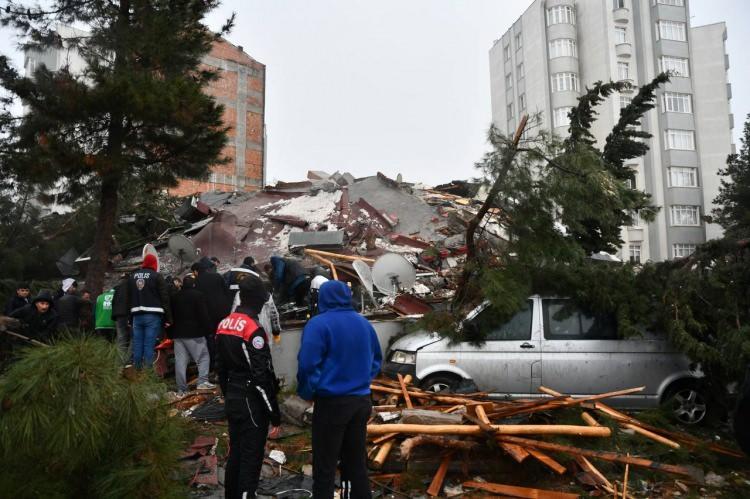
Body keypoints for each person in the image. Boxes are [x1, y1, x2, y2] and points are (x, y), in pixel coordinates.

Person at [297, 280, 382, 499]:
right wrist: (360, 380)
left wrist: (308, 391)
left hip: (333, 404)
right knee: (355, 464)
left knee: (325, 466)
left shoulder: (318, 324)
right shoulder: (364, 324)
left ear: (322, 298)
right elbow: (376, 361)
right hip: (361, 402)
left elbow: (307, 364)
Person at [216, 275, 281, 499]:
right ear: (257, 300)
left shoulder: (223, 324)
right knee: (251, 457)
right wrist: (275, 414)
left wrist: (227, 395)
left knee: (235, 452)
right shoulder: (253, 330)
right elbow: (261, 376)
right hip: (250, 400)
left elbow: (220, 368)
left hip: (233, 396)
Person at [169, 275, 215, 394]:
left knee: (180, 361)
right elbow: (203, 314)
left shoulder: (175, 296)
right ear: (194, 285)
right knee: (203, 357)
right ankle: (203, 382)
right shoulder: (198, 295)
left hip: (178, 334)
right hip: (194, 333)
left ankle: (182, 388)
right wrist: (210, 329)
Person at [126, 254, 172, 369]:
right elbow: (164, 298)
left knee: (137, 344)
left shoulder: (132, 277)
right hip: (153, 315)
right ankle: (147, 374)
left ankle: (136, 371)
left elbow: (128, 298)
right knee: (149, 345)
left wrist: (129, 318)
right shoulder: (156, 276)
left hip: (136, 316)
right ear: (154, 263)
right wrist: (168, 318)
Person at [195, 256, 232, 364]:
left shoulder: (197, 282)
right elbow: (227, 292)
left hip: (209, 315)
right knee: (226, 334)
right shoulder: (217, 276)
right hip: (224, 311)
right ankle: (230, 357)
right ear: (208, 268)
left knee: (212, 338)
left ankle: (216, 361)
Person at [111, 273, 131, 363]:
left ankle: (119, 361)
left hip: (118, 316)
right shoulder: (131, 286)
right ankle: (128, 360)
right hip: (127, 314)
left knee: (121, 338)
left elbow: (113, 302)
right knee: (133, 337)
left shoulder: (117, 288)